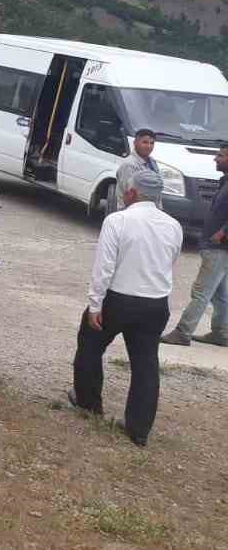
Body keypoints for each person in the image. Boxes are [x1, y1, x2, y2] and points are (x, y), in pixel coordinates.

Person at [67, 168, 182, 447]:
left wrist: (96, 303)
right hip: (155, 303)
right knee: (145, 364)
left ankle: (88, 401)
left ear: (130, 193)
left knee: (91, 344)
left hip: (119, 298)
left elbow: (104, 267)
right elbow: (171, 261)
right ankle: (139, 429)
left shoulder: (117, 220)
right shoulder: (173, 225)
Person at [161, 145, 228, 346]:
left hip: (219, 247)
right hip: (218, 246)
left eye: (221, 155)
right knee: (220, 293)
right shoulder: (225, 181)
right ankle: (222, 333)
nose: (216, 158)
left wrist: (224, 232)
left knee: (202, 291)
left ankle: (183, 332)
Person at [115, 129, 159, 201]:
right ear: (135, 143)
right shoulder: (129, 165)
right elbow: (129, 195)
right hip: (133, 210)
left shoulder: (152, 162)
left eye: (152, 143)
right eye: (145, 142)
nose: (149, 146)